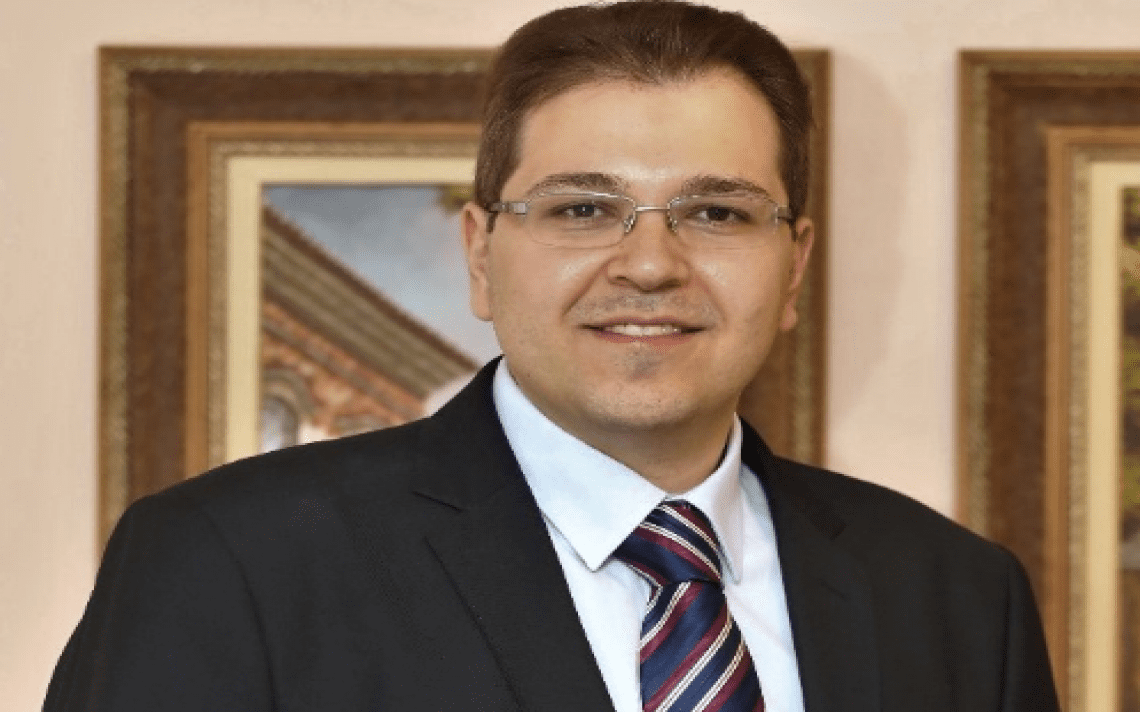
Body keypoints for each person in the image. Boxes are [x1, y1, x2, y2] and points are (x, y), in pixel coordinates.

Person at [45, 2, 1060, 711]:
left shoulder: (960, 601)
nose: (650, 265)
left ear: (793, 267)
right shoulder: (230, 565)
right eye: (582, 209)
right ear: (481, 255)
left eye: (717, 212)